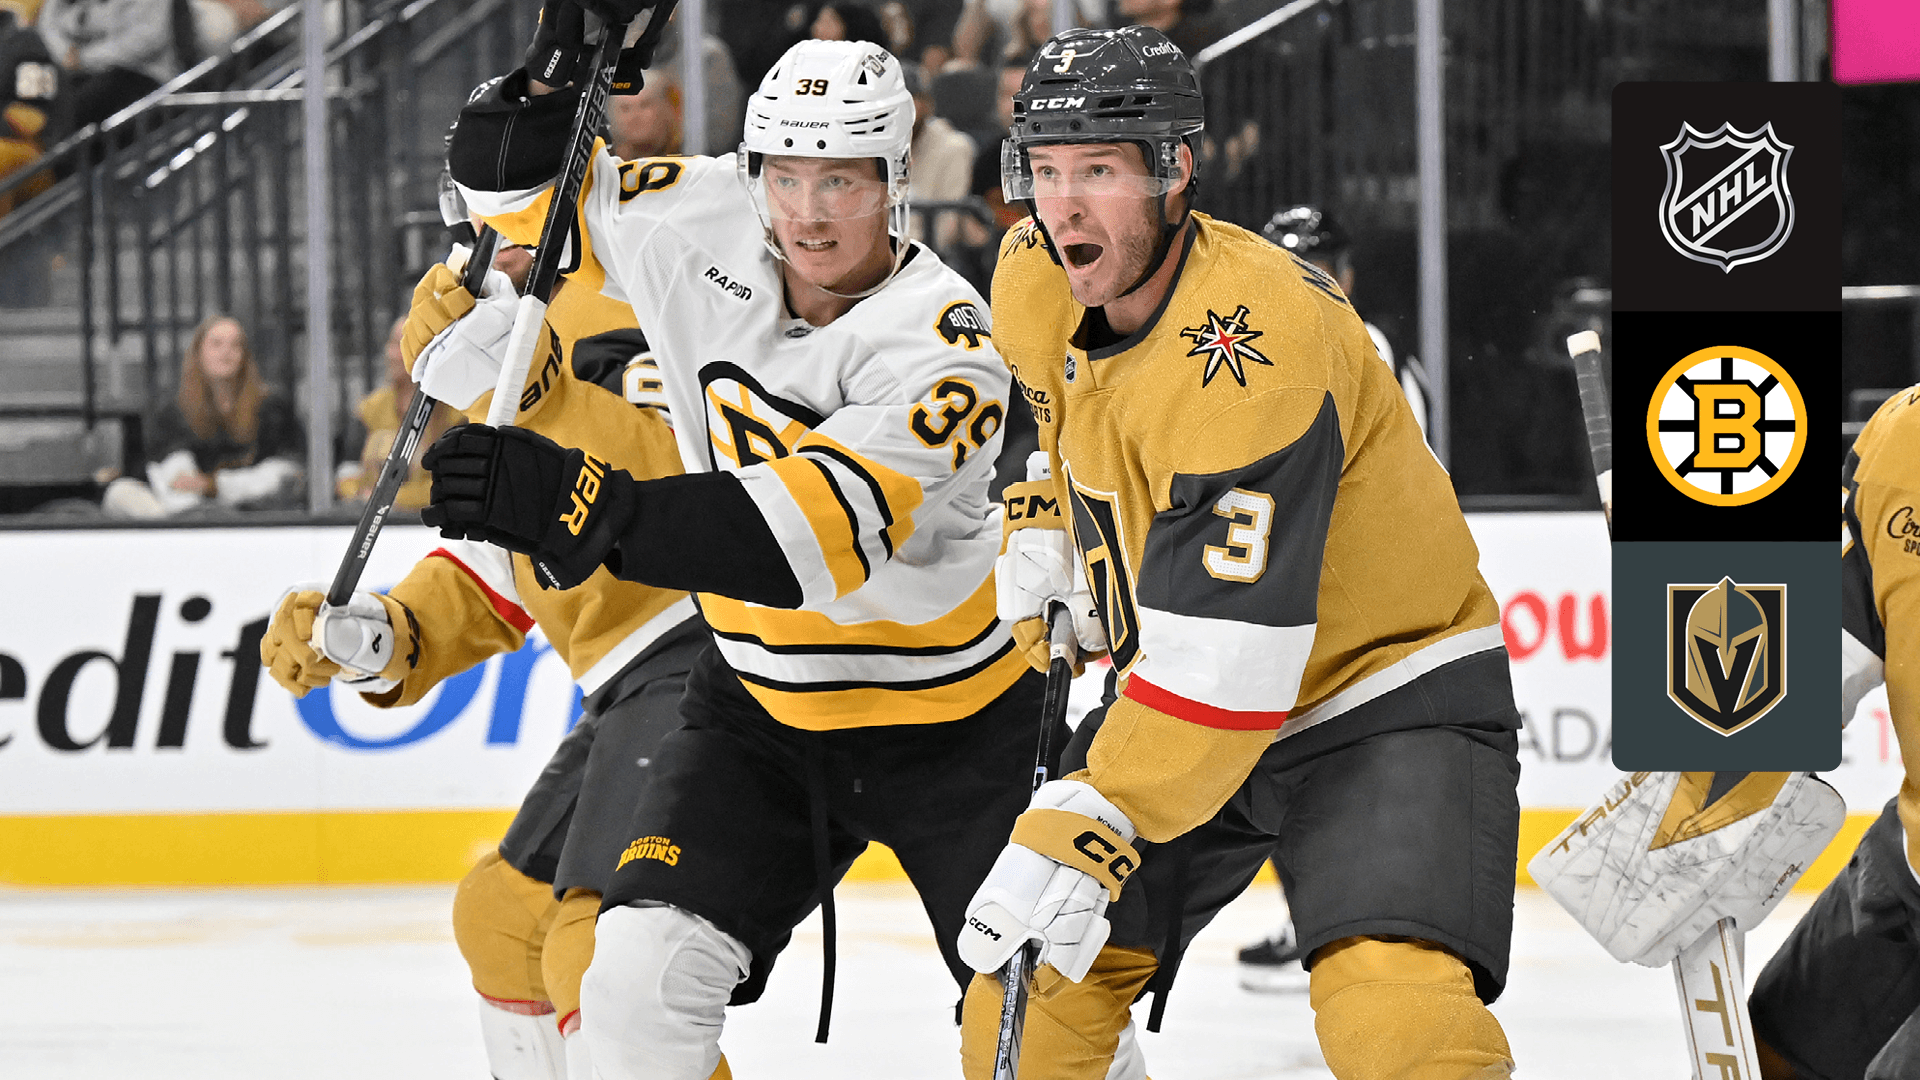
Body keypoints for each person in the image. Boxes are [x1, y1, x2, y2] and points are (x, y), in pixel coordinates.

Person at [425, 37, 1049, 1080]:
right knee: (631, 991)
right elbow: (515, 195)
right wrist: (554, 63)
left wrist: (578, 504)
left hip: (958, 723)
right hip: (760, 708)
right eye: (786, 176)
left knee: (1047, 1037)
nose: (808, 213)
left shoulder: (947, 346)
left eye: (842, 180)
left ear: (896, 178)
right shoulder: (705, 209)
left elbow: (799, 546)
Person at [955, 26, 1521, 1080]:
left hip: (1379, 696)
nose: (1063, 206)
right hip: (1182, 698)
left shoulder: (1253, 343)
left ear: (1176, 169)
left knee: (1397, 1026)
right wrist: (1045, 515)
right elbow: (1060, 416)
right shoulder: (1034, 273)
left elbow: (1230, 662)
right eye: (1045, 169)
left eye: (1099, 171)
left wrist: (1093, 810)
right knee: (1023, 1008)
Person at [261, 224, 700, 1080]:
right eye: (476, 225)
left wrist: (527, 388)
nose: (493, 244)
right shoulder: (494, 330)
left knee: (598, 955)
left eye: (514, 217)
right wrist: (383, 633)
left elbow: (680, 487)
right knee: (503, 920)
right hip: (633, 681)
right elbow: (503, 559)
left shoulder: (653, 280)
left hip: (717, 641)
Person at [1746, 384, 1920, 1078]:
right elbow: (1829, 648)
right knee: (1776, 1045)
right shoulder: (1904, 438)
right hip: (1912, 855)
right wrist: (1722, 742)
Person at [103, 313, 305, 517]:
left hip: (248, 506)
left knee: (278, 476)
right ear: (198, 353)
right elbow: (172, 474)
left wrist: (213, 485)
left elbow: (285, 473)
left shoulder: (271, 407)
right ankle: (189, 524)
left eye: (235, 345)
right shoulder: (173, 410)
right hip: (184, 506)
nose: (226, 352)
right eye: (216, 344)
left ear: (245, 356)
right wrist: (191, 490)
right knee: (119, 492)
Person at [1263, 205, 1430, 442]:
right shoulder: (1248, 351)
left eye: (1313, 277)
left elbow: (1405, 459)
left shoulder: (1372, 350)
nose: (1297, 291)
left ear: (1345, 280)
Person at [334, 315, 463, 511]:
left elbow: (452, 486)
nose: (391, 354)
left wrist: (391, 500)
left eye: (401, 346)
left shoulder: (456, 416)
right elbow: (346, 474)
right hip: (373, 519)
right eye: (392, 344)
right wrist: (360, 496)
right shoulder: (369, 409)